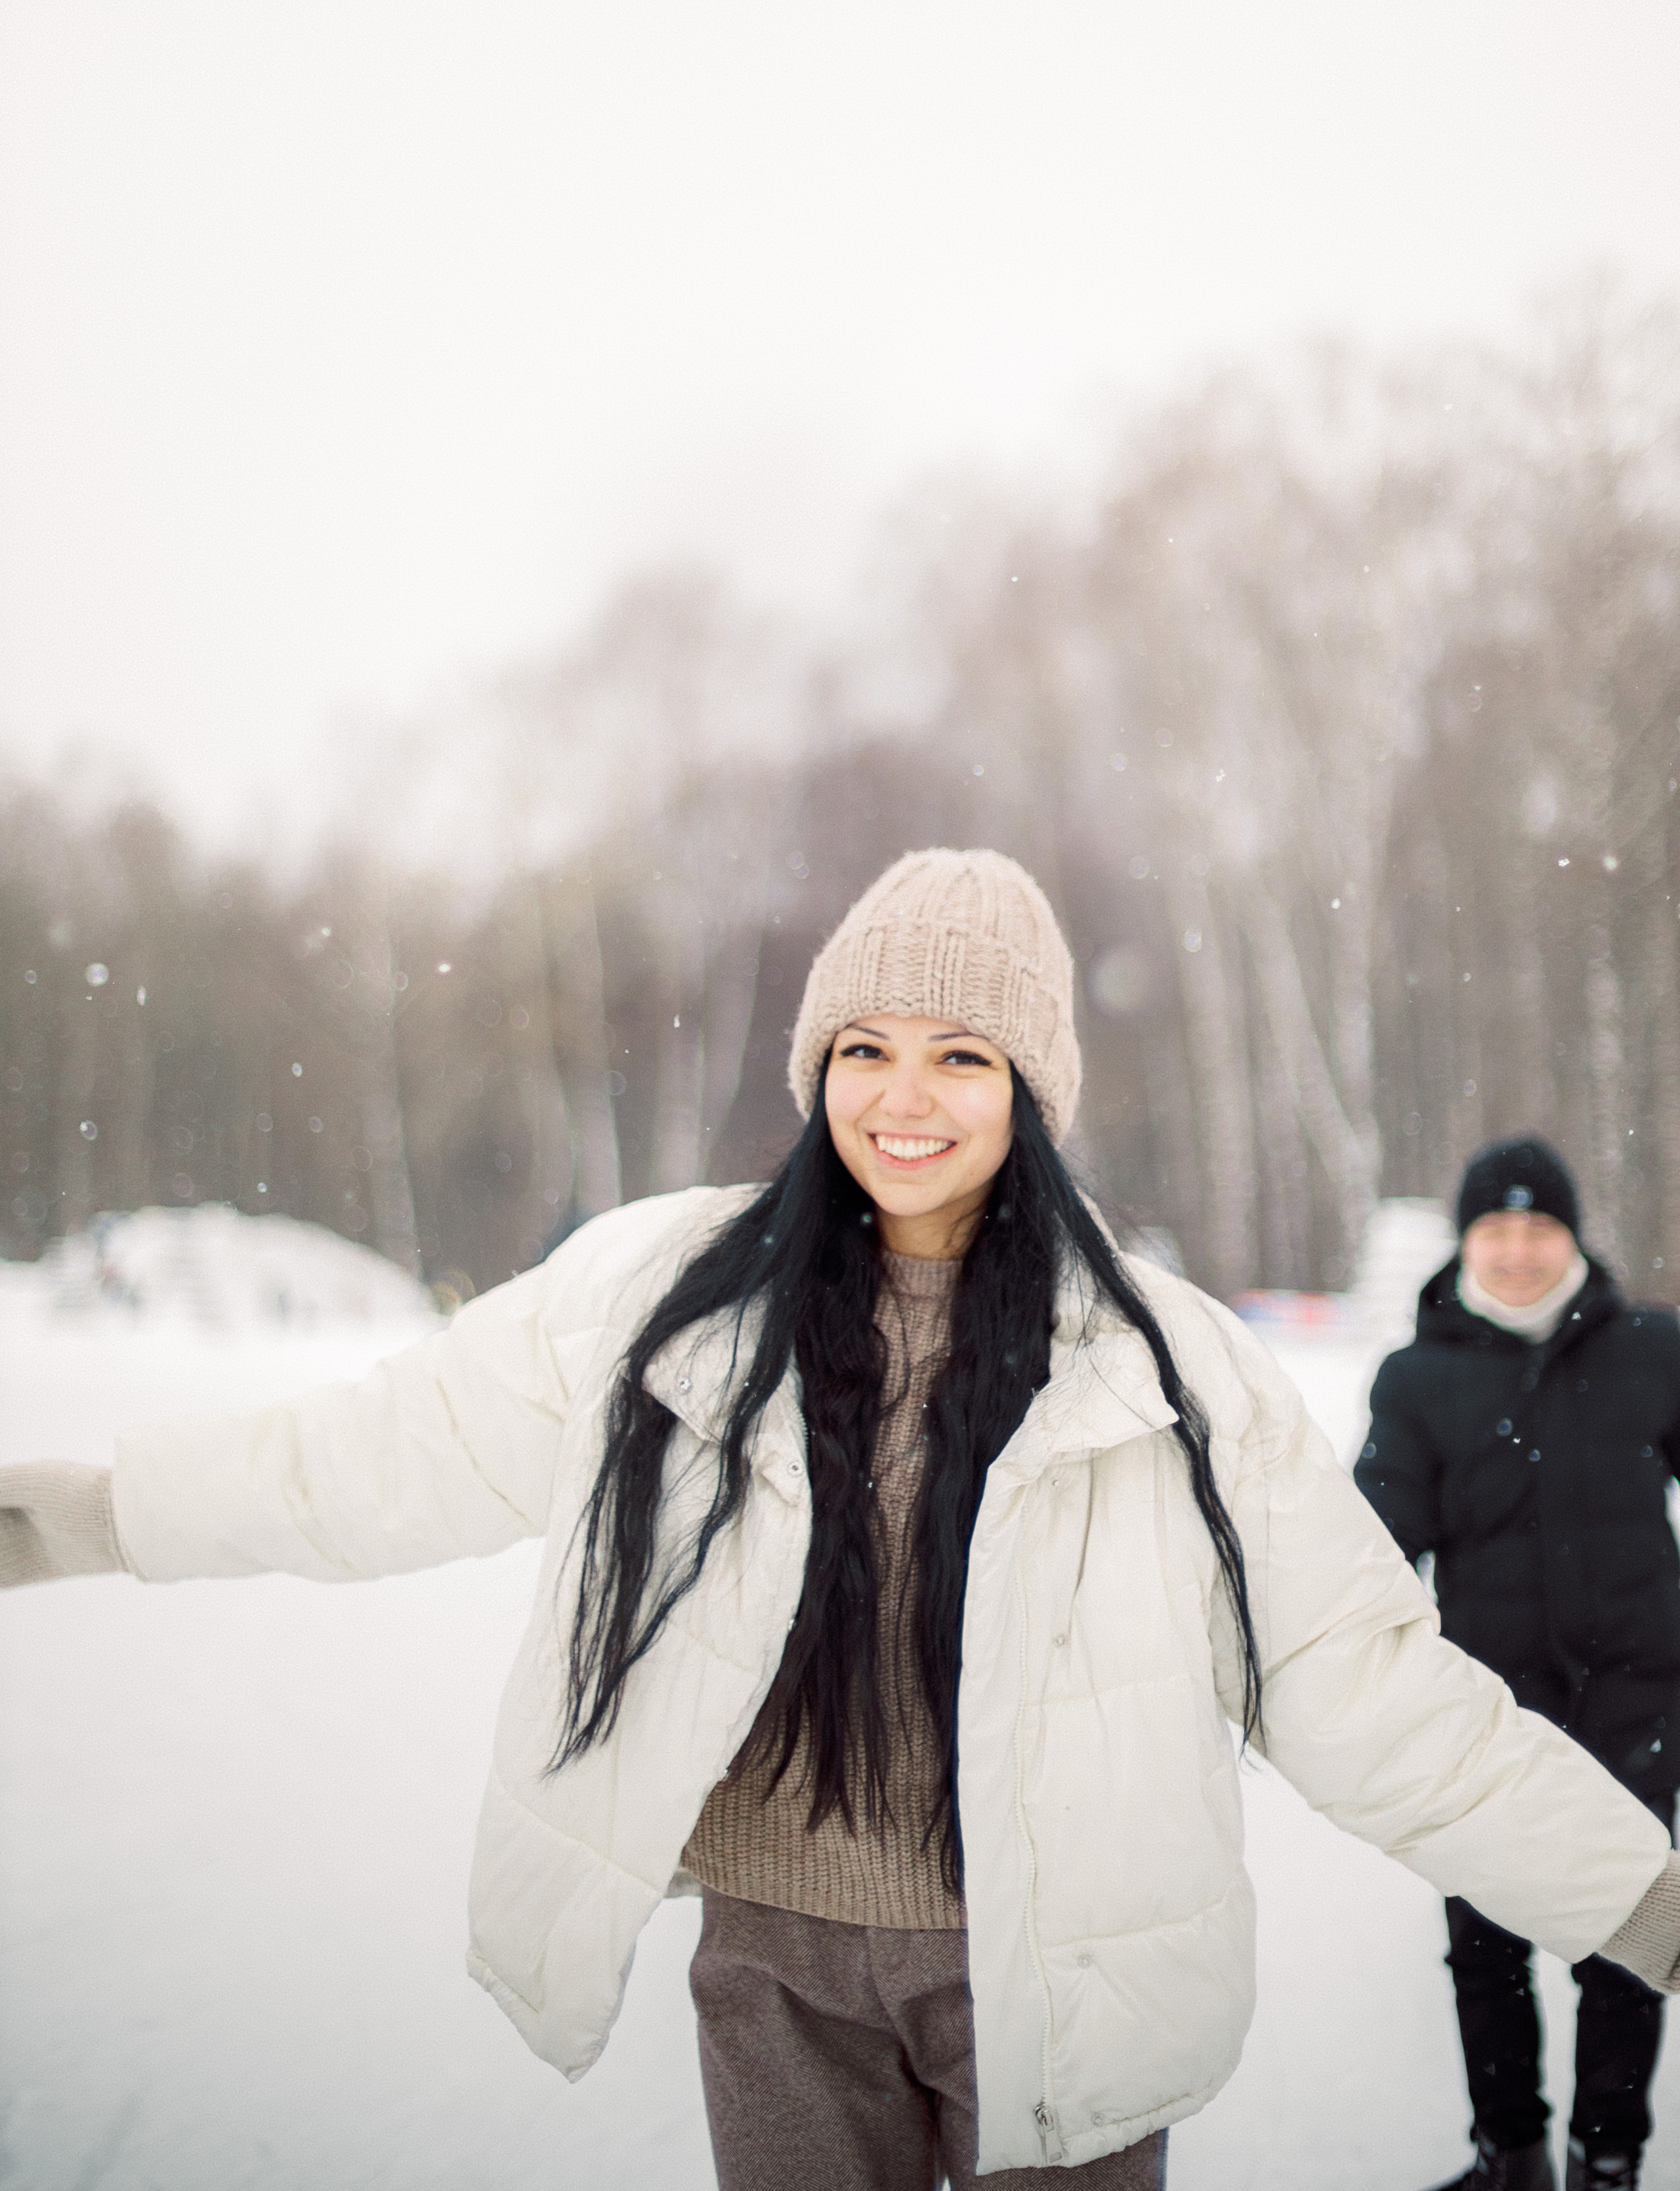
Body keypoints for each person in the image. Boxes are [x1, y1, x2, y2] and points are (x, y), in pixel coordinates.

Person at [5, 852, 1680, 2191]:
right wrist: (82, 1517)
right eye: (865, 1049)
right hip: (779, 1980)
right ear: (817, 1070)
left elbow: (1367, 1688)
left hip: (1064, 1977)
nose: (904, 1096)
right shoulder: (665, 1301)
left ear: (1028, 1087)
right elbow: (377, 1453)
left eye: (961, 1054)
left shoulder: (1167, 1368)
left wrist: (1644, 1904)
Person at [1356, 1136, 1680, 2191]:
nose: (1519, 1248)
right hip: (1485, 1718)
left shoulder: (1651, 1350)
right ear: (1465, 1242)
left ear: (1572, 1237)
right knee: (1486, 1947)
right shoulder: (1418, 1378)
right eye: (1496, 1227)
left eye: (1540, 1226)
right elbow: (1373, 1542)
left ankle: (1608, 2163)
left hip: (1637, 1701)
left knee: (1628, 1944)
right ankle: (1512, 2158)